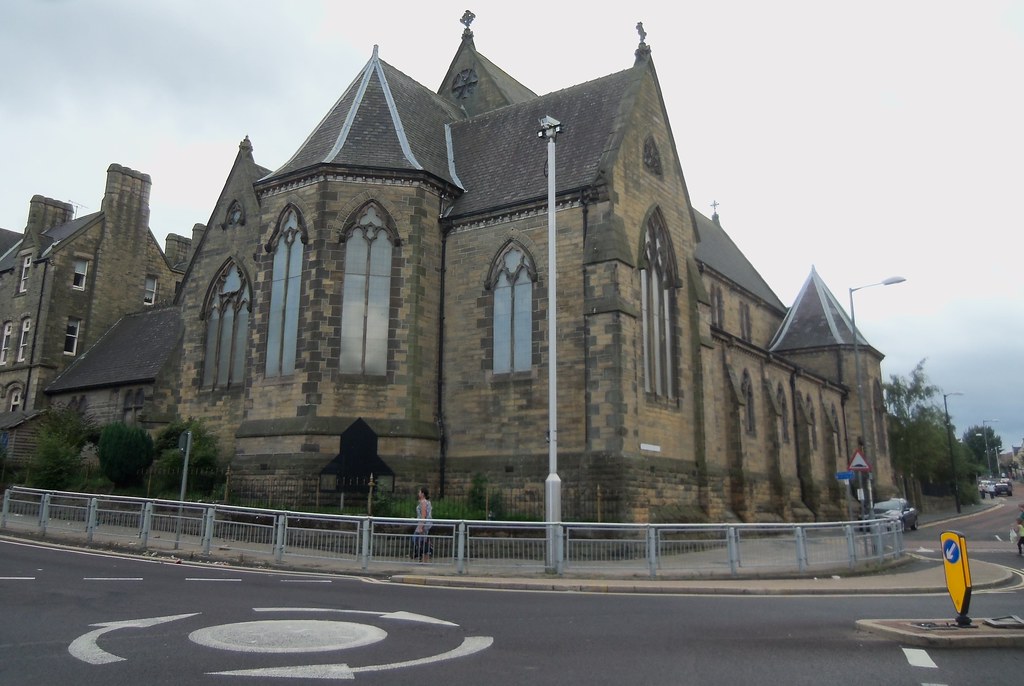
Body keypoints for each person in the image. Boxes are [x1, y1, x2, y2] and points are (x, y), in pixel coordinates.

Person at [413, 487, 432, 562]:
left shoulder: (423, 502)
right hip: (424, 523)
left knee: (417, 539)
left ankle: (426, 554)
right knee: (422, 540)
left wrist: (421, 526)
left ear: (423, 494)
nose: (418, 493)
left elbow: (423, 515)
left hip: (423, 524)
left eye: (419, 492)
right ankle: (424, 557)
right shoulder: (427, 502)